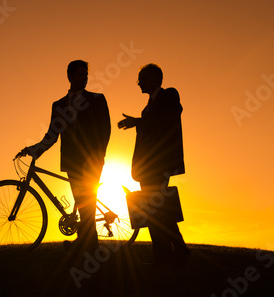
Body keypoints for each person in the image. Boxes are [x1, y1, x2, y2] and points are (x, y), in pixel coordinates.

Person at [18, 60, 111, 256]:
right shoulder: (58, 105)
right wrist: (34, 149)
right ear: (70, 77)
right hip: (71, 160)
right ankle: (84, 243)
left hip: (92, 160)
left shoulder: (97, 99)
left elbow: (105, 129)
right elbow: (52, 135)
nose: (84, 78)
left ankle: (91, 247)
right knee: (83, 201)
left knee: (87, 201)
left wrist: (98, 154)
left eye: (86, 74)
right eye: (80, 74)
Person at [118, 63, 189, 265]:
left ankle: (162, 254)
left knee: (154, 208)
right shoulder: (147, 108)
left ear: (156, 78)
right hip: (148, 167)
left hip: (160, 164)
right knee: (158, 208)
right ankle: (179, 249)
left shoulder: (170, 96)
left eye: (142, 77)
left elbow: (165, 121)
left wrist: (137, 122)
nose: (139, 82)